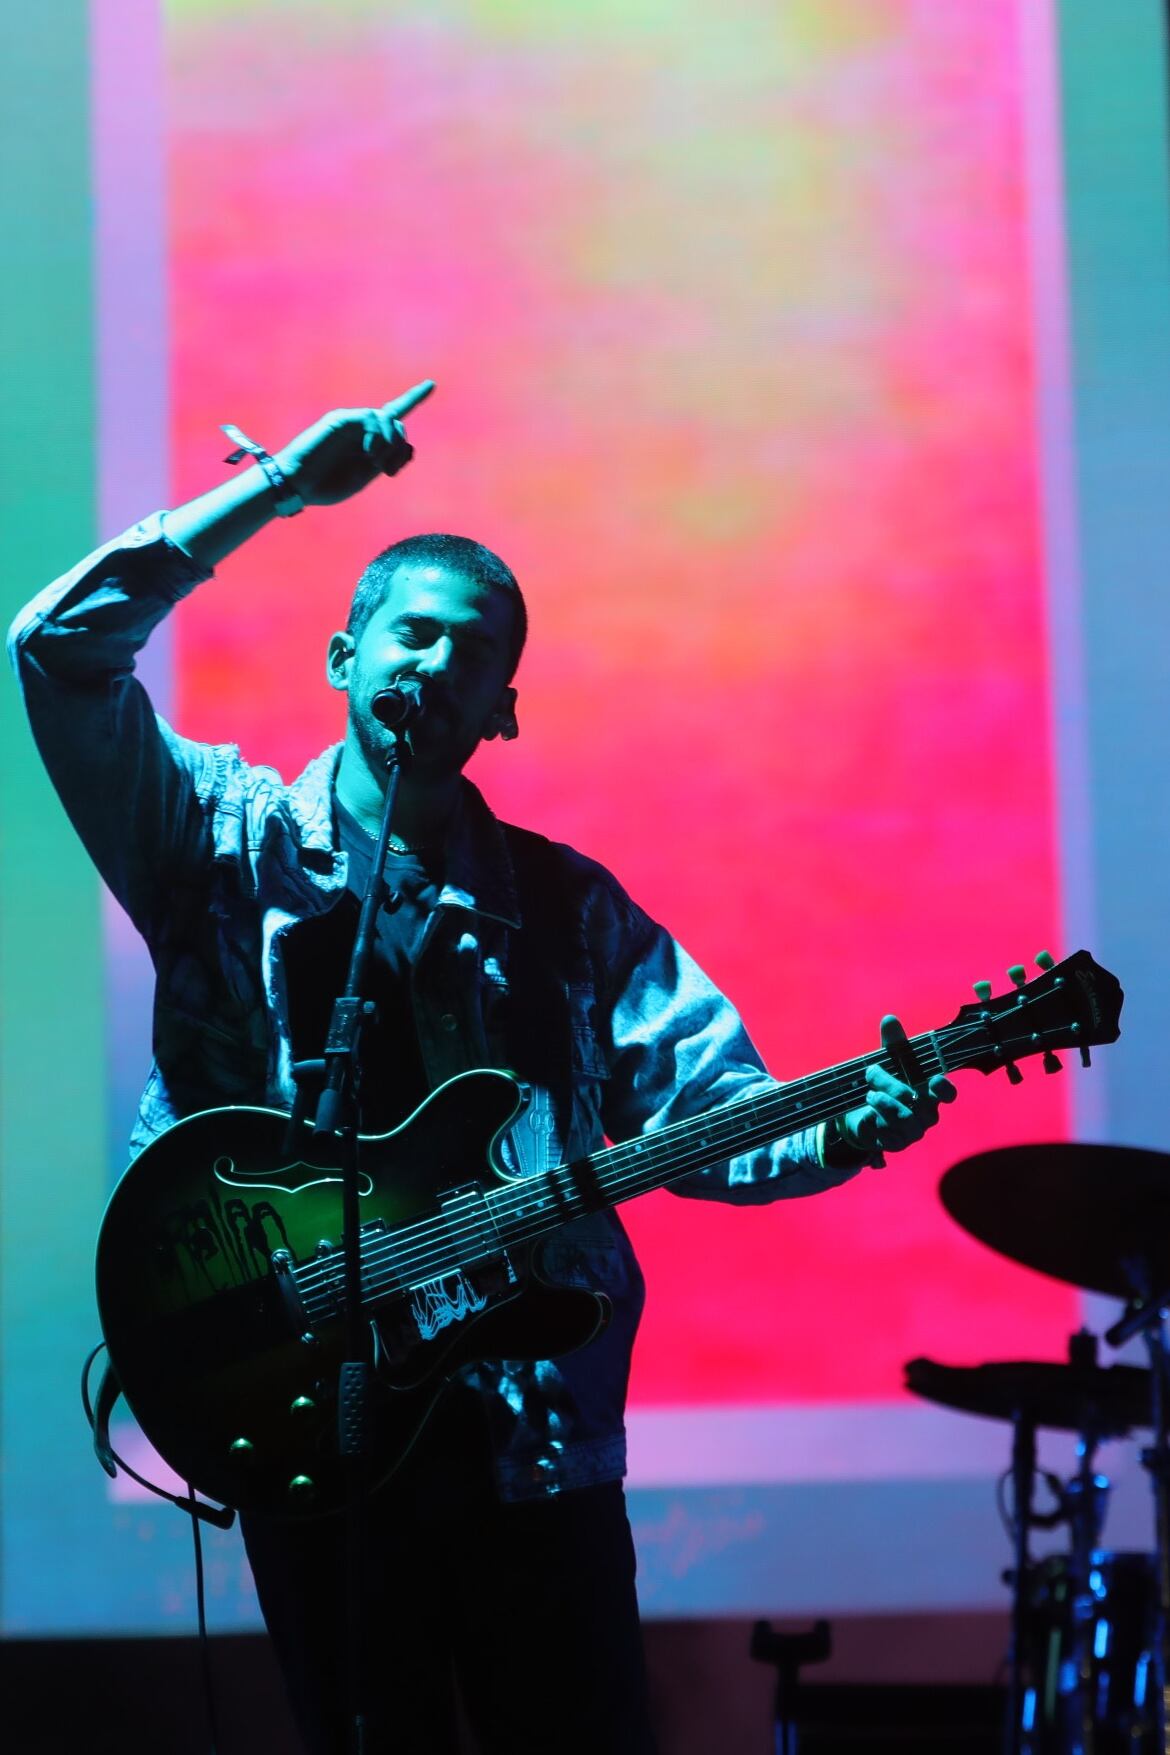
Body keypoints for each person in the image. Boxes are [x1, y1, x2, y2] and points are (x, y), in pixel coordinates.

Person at [8, 383, 955, 1755]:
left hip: (529, 1444)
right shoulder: (216, 846)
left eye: (473, 653)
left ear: (500, 711)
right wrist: (280, 489)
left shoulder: (566, 910)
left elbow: (720, 1114)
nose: (436, 663)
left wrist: (842, 1131)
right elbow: (57, 652)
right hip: (306, 1410)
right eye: (413, 633)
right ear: (343, 656)